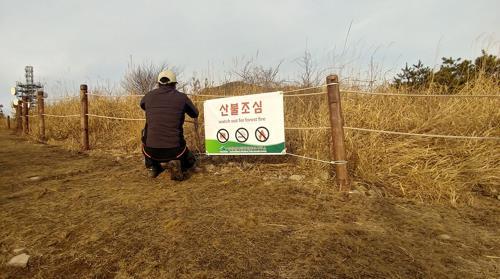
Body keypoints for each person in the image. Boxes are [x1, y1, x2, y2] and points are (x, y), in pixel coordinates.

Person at [140, 69, 199, 181]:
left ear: (158, 84)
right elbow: (195, 113)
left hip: (151, 151)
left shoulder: (148, 96)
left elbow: (142, 105)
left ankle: (152, 167)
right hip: (176, 150)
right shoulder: (182, 97)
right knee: (187, 155)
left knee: (145, 134)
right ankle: (182, 164)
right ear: (174, 84)